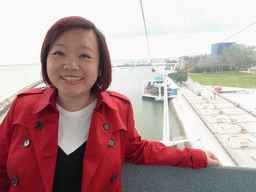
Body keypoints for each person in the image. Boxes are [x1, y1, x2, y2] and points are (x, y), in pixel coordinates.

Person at [0, 16, 222, 192]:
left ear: (100, 67)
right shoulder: (22, 107)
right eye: (59, 53)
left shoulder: (118, 109)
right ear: (46, 60)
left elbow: (139, 150)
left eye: (84, 56)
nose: (71, 65)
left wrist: (194, 156)